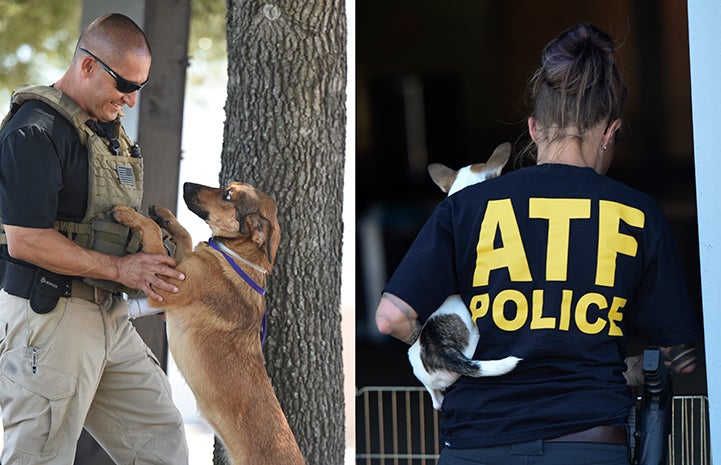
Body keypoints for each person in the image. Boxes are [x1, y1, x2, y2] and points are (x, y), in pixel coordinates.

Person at [375, 23, 700, 464]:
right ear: (610, 132)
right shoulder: (639, 214)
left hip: (476, 443)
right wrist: (624, 368)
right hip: (588, 443)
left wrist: (440, 351)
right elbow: (679, 360)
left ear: (532, 128)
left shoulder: (469, 206)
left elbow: (391, 316)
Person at [0, 14, 189, 464]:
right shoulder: (34, 132)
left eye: (138, 87)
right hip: (50, 318)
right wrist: (123, 270)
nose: (130, 98)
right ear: (87, 66)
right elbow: (26, 241)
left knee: (162, 444)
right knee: (39, 456)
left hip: (110, 316)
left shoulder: (103, 134)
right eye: (124, 83)